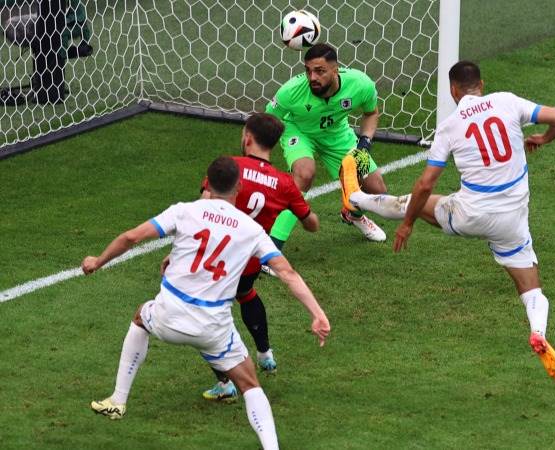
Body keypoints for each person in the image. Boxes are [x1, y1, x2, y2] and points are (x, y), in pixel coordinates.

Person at [83, 156, 330, 449]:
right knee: (250, 385)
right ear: (239, 186)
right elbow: (287, 273)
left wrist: (97, 261)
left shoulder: (185, 211)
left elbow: (131, 237)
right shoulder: (251, 230)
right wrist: (317, 314)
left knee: (140, 317)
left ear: (207, 183)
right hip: (214, 329)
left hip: (168, 316)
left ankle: (117, 400)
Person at [348, 61, 555, 381]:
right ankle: (538, 332)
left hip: (469, 215)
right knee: (530, 286)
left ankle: (355, 197)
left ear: (453, 90)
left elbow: (425, 184)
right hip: (511, 220)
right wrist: (544, 138)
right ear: (481, 83)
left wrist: (408, 223)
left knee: (412, 202)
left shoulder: (450, 126)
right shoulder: (508, 101)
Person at [197, 113, 320, 402]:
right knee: (246, 293)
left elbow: (202, 207)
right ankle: (265, 352)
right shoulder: (284, 183)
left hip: (218, 258)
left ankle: (226, 383)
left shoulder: (229, 167)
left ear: (248, 137)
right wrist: (302, 211)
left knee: (202, 315)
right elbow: (311, 223)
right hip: (251, 260)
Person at [266, 42, 388, 247]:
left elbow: (371, 113)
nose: (312, 77)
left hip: (337, 134)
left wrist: (364, 143)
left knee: (377, 190)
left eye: (320, 71)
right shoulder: (292, 91)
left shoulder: (360, 84)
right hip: (299, 131)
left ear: (335, 70)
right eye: (308, 71)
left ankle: (353, 214)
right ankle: (271, 248)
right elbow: (266, 120)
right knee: (304, 173)